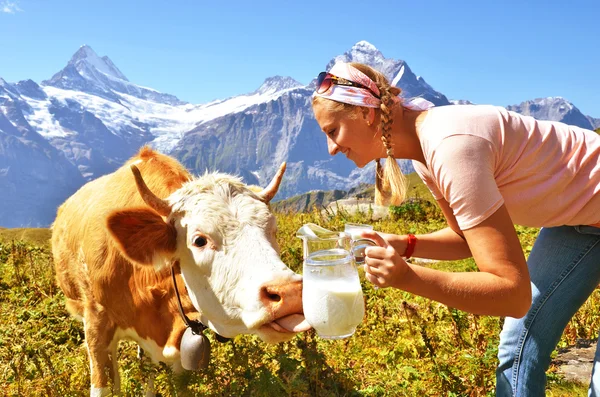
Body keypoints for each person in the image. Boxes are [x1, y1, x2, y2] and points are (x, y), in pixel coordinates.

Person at [311, 61, 600, 396]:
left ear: (367, 114)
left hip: (583, 210)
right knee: (518, 346)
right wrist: (402, 244)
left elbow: (512, 293)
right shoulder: (425, 151)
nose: (331, 148)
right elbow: (464, 239)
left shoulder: (452, 146)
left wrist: (406, 277)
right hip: (577, 219)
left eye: (333, 131)